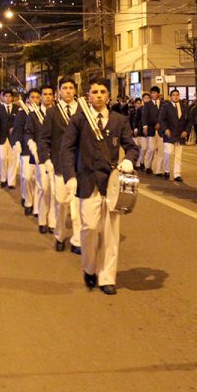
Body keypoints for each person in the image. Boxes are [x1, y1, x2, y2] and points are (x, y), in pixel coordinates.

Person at [61, 77, 140, 295]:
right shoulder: (79, 120)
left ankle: (107, 278)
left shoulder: (119, 120)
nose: (98, 95)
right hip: (86, 182)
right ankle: (89, 267)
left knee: (111, 232)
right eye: (94, 91)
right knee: (89, 229)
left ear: (108, 95)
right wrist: (70, 176)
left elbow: (132, 147)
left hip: (111, 184)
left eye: (102, 91)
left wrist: (129, 160)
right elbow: (66, 149)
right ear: (88, 95)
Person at [40, 78, 81, 253]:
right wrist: (47, 159)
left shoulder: (83, 110)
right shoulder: (52, 113)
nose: (68, 91)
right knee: (61, 203)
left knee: (78, 205)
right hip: (59, 165)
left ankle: (77, 240)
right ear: (59, 91)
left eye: (71, 88)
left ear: (75, 90)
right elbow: (44, 139)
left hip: (80, 165)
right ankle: (59, 234)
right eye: (65, 88)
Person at [26, 85, 56, 234]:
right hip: (40, 156)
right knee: (44, 188)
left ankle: (52, 221)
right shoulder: (33, 115)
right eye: (45, 94)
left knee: (54, 190)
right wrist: (32, 146)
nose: (48, 97)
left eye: (50, 94)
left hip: (56, 156)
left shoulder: (59, 113)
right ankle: (42, 219)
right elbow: (28, 133)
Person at [16, 89, 41, 216]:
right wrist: (17, 143)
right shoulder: (22, 114)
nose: (35, 100)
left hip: (39, 152)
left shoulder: (43, 113)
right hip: (26, 151)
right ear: (28, 99)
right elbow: (17, 130)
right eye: (32, 97)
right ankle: (28, 201)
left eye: (37, 97)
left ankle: (36, 207)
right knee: (26, 177)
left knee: (38, 180)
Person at [158, 89, 191, 182]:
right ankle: (167, 170)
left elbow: (189, 121)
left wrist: (186, 131)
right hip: (169, 134)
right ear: (170, 97)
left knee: (178, 156)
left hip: (180, 135)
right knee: (168, 153)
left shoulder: (184, 107)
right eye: (174, 95)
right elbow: (162, 119)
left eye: (177, 95)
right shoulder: (165, 107)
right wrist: (165, 129)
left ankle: (177, 174)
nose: (176, 96)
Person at [0, 90, 18, 189]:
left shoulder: (17, 108)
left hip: (13, 138)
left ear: (12, 98)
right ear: (2, 97)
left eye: (9, 96)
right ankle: (3, 179)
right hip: (2, 137)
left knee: (12, 159)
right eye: (6, 96)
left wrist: (15, 129)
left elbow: (19, 122)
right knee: (2, 158)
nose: (8, 98)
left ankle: (11, 182)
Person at [141, 86, 164, 176]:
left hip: (162, 130)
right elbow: (144, 117)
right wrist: (145, 127)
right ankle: (148, 166)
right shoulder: (147, 105)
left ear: (158, 94)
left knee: (161, 151)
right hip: (151, 130)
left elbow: (166, 116)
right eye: (152, 93)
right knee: (152, 148)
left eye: (155, 93)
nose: (153, 95)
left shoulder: (164, 104)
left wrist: (161, 124)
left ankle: (159, 170)